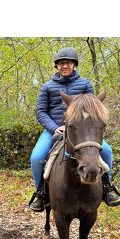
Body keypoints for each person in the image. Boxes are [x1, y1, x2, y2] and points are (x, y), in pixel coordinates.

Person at [29, 47, 120, 212]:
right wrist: (54, 127)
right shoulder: (47, 87)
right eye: (61, 63)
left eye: (68, 63)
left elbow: (94, 110)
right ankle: (41, 194)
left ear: (74, 65)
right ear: (56, 66)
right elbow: (41, 112)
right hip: (54, 130)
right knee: (36, 158)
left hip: (83, 131)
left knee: (106, 151)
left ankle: (107, 187)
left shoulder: (85, 84)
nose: (64, 66)